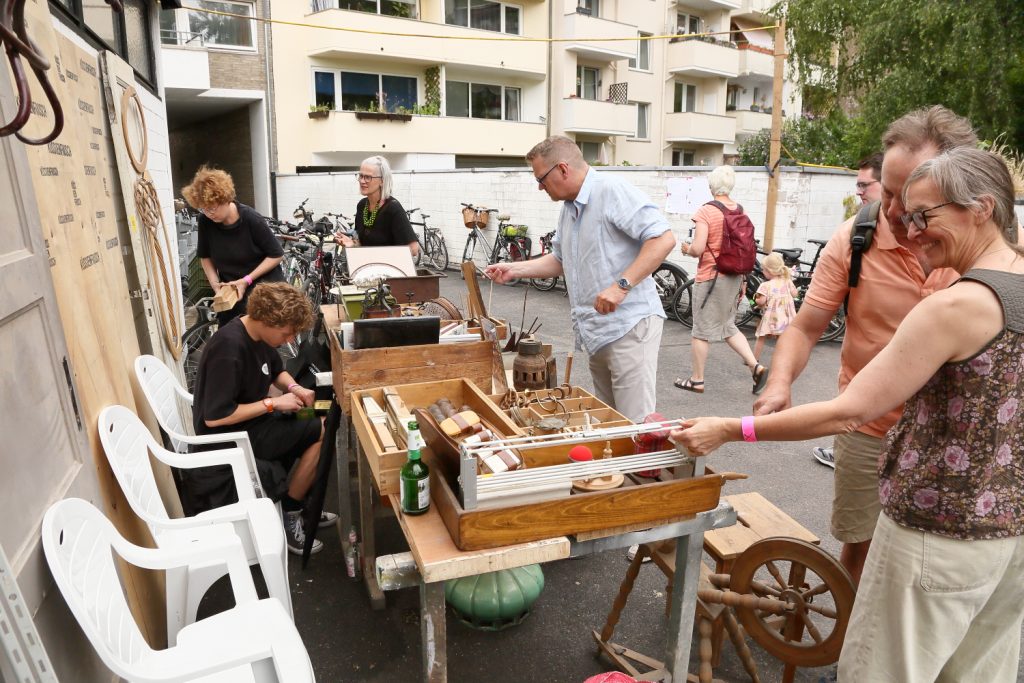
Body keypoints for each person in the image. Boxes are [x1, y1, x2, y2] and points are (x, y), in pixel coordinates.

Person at [675, 147, 1024, 682]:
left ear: (980, 208)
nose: (909, 231)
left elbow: (848, 413)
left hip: (934, 534)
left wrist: (730, 428)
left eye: (923, 216)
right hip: (1009, 540)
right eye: (905, 216)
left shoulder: (956, 305)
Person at [753, 105, 976, 585]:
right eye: (887, 191)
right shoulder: (854, 238)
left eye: (912, 197)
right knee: (860, 547)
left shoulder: (985, 255)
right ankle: (851, 654)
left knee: (933, 564)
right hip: (866, 427)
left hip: (952, 438)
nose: (894, 211)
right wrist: (779, 382)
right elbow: (807, 325)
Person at [484, 135, 675, 422]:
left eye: (541, 179)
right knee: (609, 419)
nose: (539, 187)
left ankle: (638, 469)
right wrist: (515, 269)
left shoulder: (611, 191)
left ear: (563, 169)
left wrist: (621, 286)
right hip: (597, 331)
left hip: (629, 326)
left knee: (635, 424)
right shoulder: (569, 208)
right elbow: (560, 259)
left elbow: (663, 239)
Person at [190, 282, 331, 555]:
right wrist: (272, 403)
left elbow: (278, 371)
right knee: (323, 427)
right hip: (232, 438)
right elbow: (215, 418)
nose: (290, 340)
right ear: (267, 320)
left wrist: (295, 389)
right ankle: (291, 511)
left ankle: (301, 501)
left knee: (326, 410)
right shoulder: (228, 348)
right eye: (287, 334)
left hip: (259, 421)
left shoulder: (257, 335)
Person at [813, 152, 884, 470]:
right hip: (861, 422)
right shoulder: (853, 235)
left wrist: (740, 429)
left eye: (864, 185)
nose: (859, 191)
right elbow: (805, 327)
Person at [675, 165, 768, 395]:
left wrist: (686, 248)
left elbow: (698, 249)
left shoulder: (706, 211)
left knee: (700, 331)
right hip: (734, 276)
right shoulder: (739, 209)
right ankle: (755, 367)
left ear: (711, 186)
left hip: (711, 278)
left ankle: (697, 380)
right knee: (728, 326)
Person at [182, 166, 284, 325]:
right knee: (232, 338)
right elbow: (205, 256)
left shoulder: (251, 219)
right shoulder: (205, 222)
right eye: (203, 209)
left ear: (225, 198)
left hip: (262, 288)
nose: (209, 214)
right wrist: (215, 284)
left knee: (260, 338)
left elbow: (276, 254)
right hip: (230, 291)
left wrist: (246, 280)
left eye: (212, 208)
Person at [335, 155, 419, 258]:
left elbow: (413, 249)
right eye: (361, 176)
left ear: (382, 181)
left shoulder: (393, 208)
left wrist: (376, 255)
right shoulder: (362, 206)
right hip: (367, 269)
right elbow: (364, 245)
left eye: (368, 177)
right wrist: (353, 245)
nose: (362, 181)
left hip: (389, 272)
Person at [752, 253, 797, 361]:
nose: (762, 271)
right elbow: (795, 294)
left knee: (761, 337)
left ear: (770, 271)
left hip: (771, 318)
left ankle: (754, 359)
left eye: (763, 269)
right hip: (785, 317)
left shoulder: (765, 285)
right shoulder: (787, 281)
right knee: (782, 338)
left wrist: (757, 301)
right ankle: (782, 360)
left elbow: (761, 301)